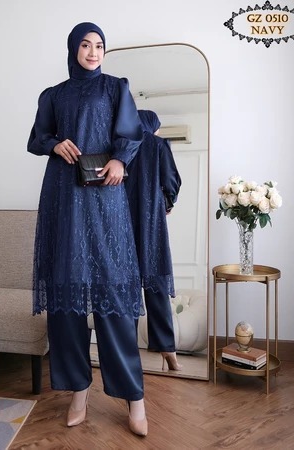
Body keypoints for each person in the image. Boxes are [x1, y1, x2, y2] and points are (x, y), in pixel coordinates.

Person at [27, 22, 148, 436]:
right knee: (67, 307)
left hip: (105, 200)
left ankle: (135, 398)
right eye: (85, 45)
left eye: (99, 45)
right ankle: (78, 391)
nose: (93, 52)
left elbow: (131, 133)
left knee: (114, 301)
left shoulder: (115, 88)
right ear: (73, 49)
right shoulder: (54, 95)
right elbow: (37, 137)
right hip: (64, 199)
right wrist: (54, 144)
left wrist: (119, 160)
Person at [125, 110, 182, 371]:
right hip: (151, 222)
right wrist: (166, 203)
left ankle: (126, 355)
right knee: (157, 284)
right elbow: (171, 181)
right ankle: (168, 351)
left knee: (126, 289)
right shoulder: (158, 145)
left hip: (121, 223)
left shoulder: (121, 145)